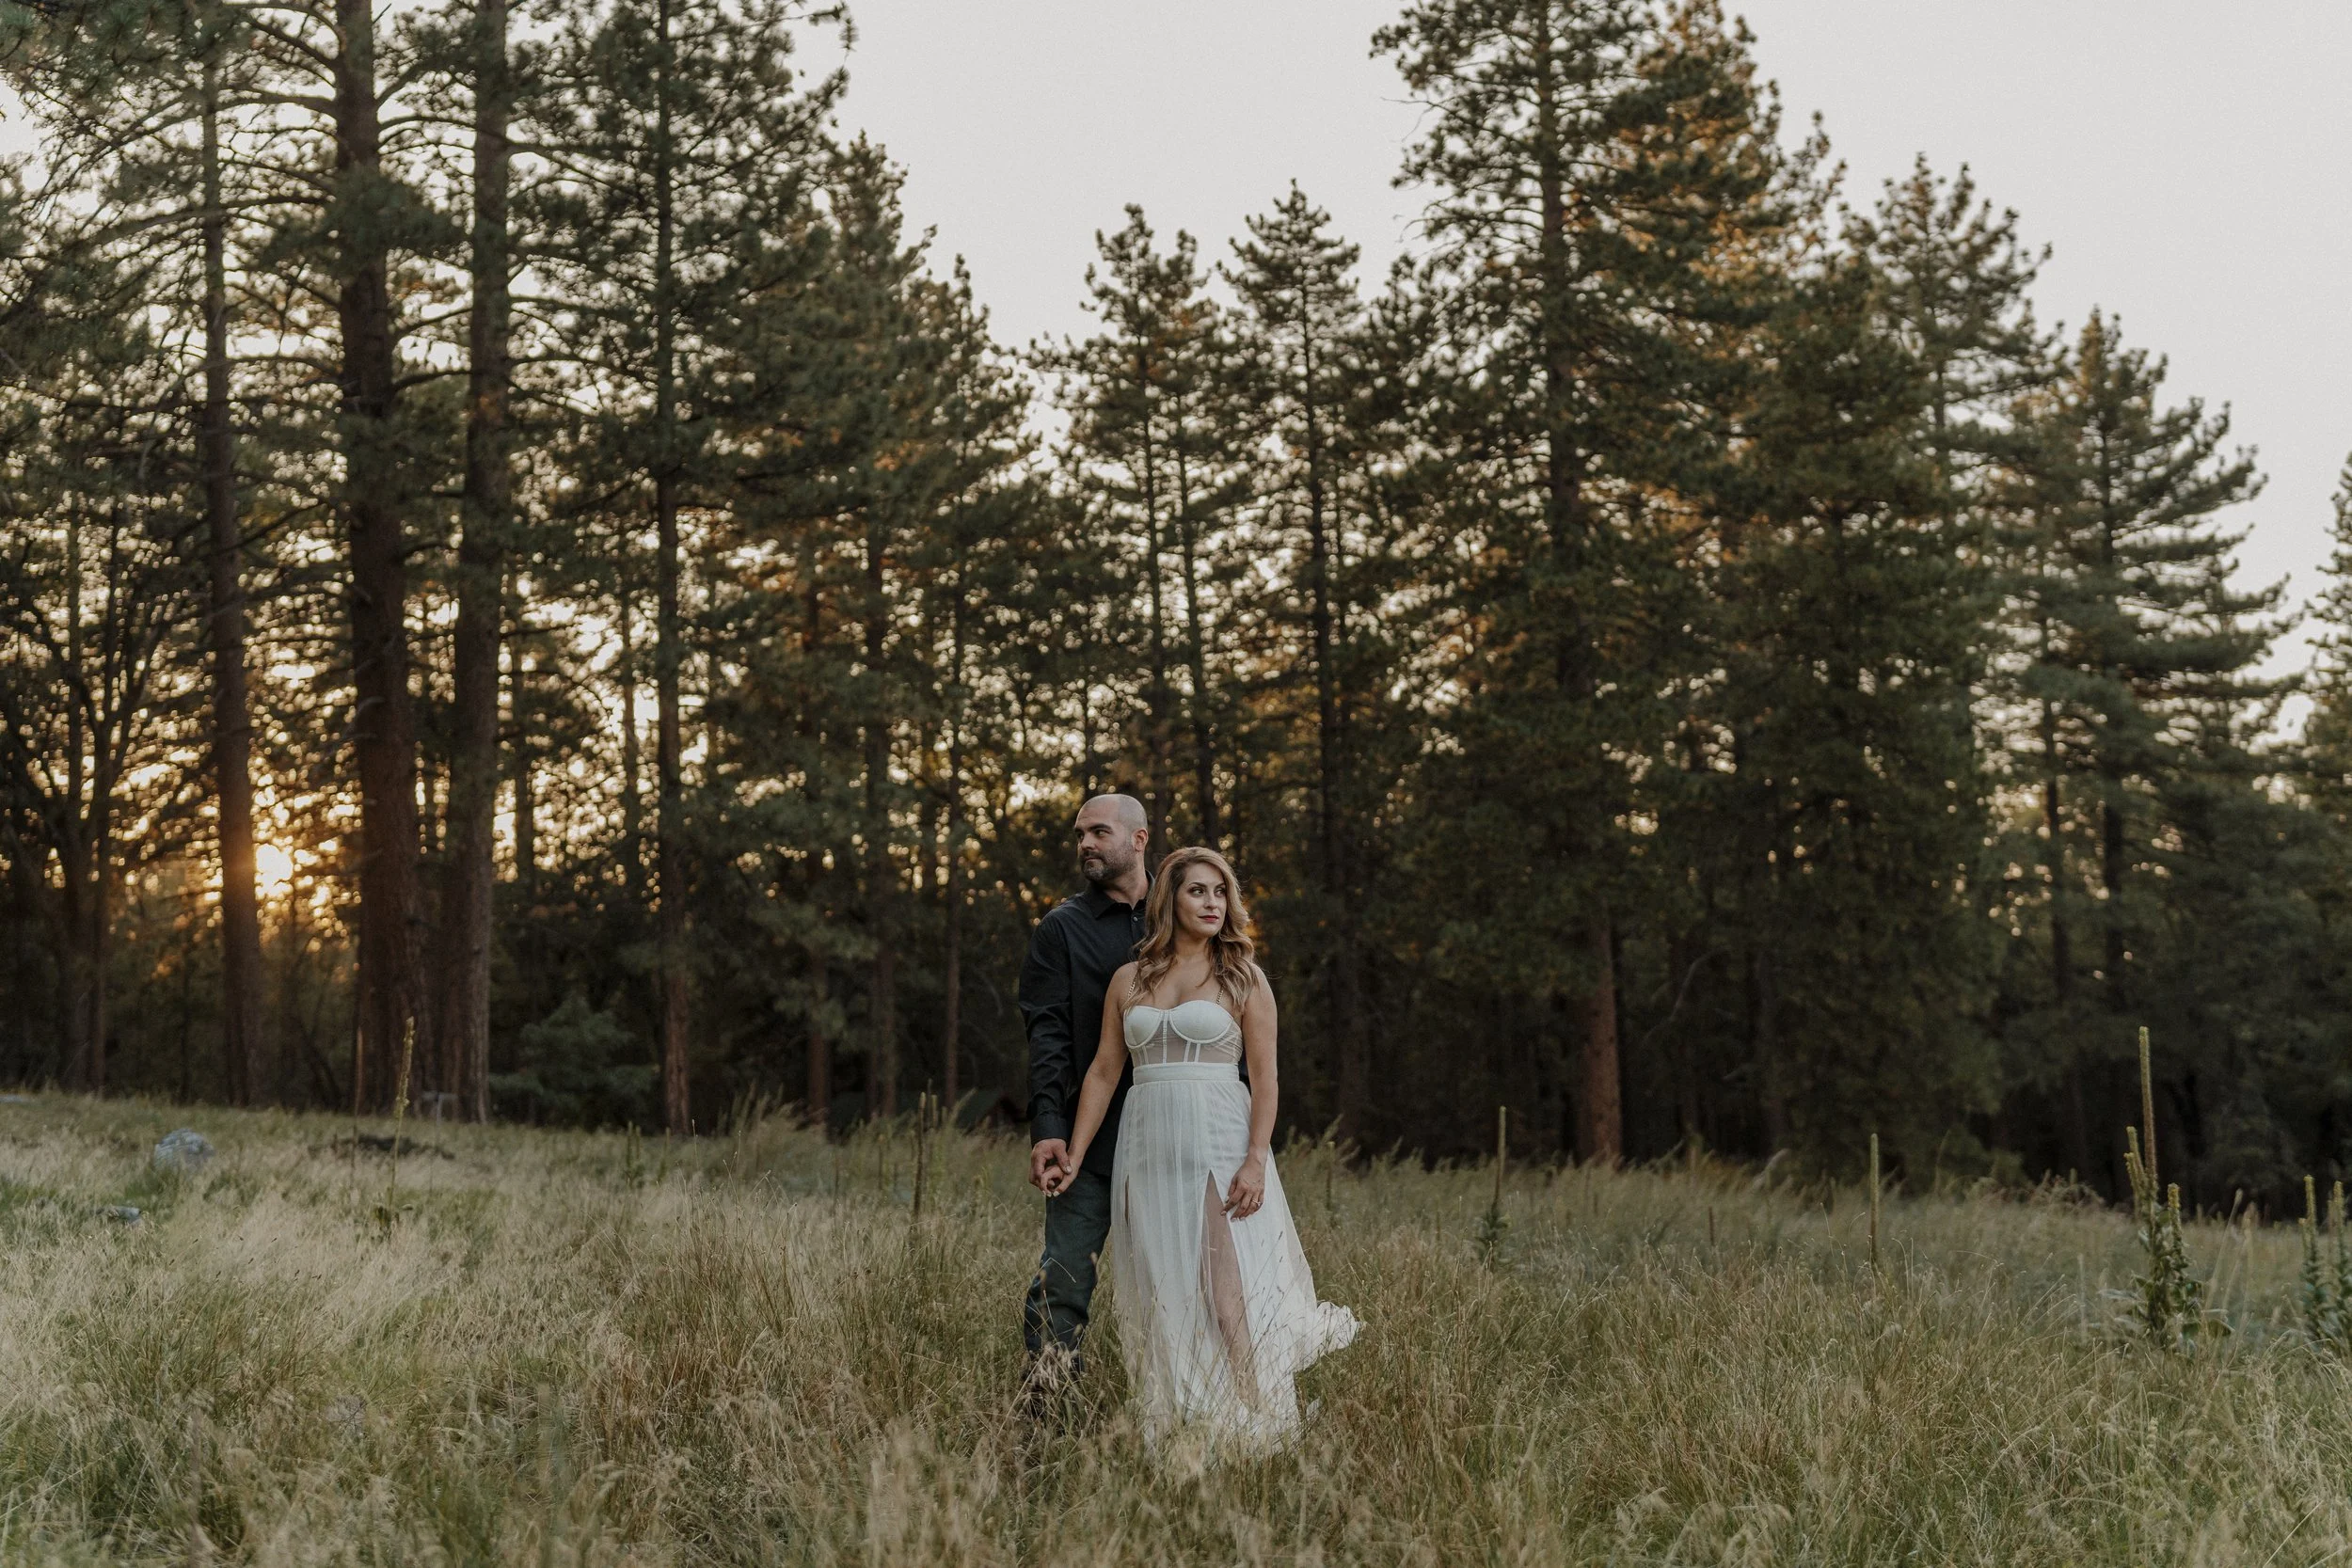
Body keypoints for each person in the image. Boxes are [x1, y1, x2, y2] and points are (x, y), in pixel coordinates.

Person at [1047, 845, 1359, 1451]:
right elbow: (1106, 1072)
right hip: (1149, 1146)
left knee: (1225, 1294)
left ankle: (1259, 1423)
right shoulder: (1128, 980)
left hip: (1218, 1141)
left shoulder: (1244, 977)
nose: (1213, 903)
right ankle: (1182, 1426)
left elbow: (1266, 1080)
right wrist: (1078, 1154)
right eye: (1198, 891)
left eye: (1221, 892)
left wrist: (1255, 1162)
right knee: (1165, 1291)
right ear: (1170, 899)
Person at [1019, 794, 1154, 1394]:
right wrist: (1048, 1124)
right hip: (1088, 1139)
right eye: (1080, 835)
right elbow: (1045, 1031)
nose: (1085, 845)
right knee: (1065, 1281)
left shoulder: (1186, 910)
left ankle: (1190, 1415)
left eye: (1099, 832)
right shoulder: (1061, 929)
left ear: (1139, 839)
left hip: (1176, 1131)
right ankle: (1048, 1413)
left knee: (1193, 1278)